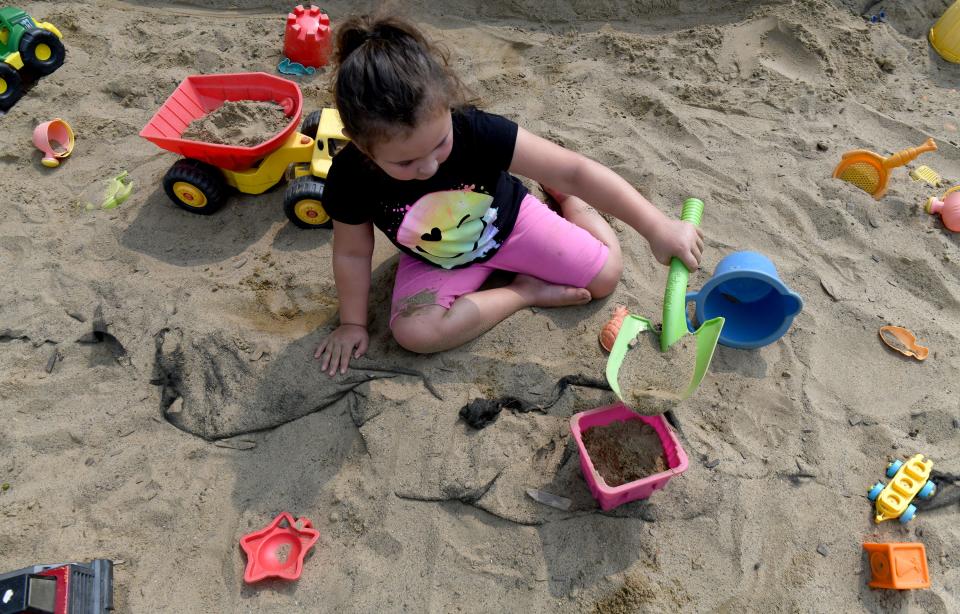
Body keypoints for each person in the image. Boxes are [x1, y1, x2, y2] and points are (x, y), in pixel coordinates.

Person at [314, 13, 704, 376]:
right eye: (406, 163)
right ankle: (522, 291)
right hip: (434, 257)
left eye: (439, 144)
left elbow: (575, 170)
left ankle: (567, 203)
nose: (429, 167)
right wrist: (352, 323)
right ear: (363, 147)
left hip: (510, 223)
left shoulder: (475, 130)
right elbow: (352, 252)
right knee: (415, 334)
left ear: (448, 106)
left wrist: (656, 226)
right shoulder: (350, 175)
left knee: (604, 277)